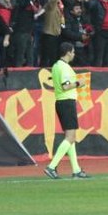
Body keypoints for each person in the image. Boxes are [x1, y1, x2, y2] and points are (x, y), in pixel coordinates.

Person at [43, 42, 89, 179]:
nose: (74, 54)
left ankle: (76, 170)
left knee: (71, 137)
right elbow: (65, 86)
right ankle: (51, 166)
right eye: (73, 51)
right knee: (70, 137)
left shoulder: (56, 66)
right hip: (67, 102)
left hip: (61, 102)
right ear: (68, 52)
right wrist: (78, 83)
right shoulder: (64, 67)